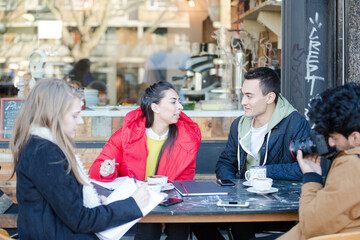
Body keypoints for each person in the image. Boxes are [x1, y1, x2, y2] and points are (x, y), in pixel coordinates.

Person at [11, 78, 149, 239]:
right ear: (54, 115)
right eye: (75, 115)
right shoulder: (45, 153)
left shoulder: (40, 147)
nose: (81, 121)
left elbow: (62, 204)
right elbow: (80, 219)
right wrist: (132, 204)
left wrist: (95, 202)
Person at [193, 67, 311, 240]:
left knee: (241, 221)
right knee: (196, 219)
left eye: (249, 96)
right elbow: (225, 162)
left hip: (278, 202)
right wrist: (233, 188)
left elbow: (305, 168)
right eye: (243, 95)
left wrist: (261, 172)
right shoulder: (239, 125)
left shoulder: (295, 123)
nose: (243, 102)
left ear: (270, 97)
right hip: (243, 200)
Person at [88, 81, 202, 240]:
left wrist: (162, 212)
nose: (180, 107)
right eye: (173, 102)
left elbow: (184, 180)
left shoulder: (185, 138)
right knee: (148, 229)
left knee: (180, 227)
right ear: (155, 108)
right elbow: (98, 167)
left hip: (169, 202)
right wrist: (105, 170)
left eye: (179, 101)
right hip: (137, 201)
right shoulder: (127, 135)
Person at [278, 83, 360, 240]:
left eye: (334, 137)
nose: (331, 144)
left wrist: (311, 177)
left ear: (355, 137)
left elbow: (310, 226)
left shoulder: (352, 166)